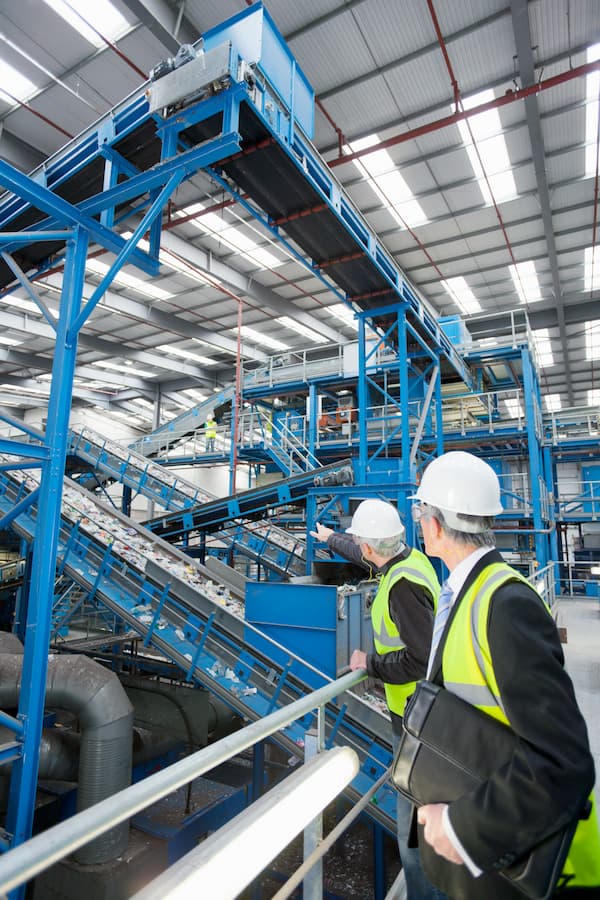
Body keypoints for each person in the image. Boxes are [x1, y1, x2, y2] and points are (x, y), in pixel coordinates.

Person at [410, 450, 600, 899]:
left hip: (511, 866)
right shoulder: (465, 591)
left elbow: (563, 766)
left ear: (435, 524)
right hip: (485, 858)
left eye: (421, 513)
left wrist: (459, 828)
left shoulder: (505, 604)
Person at [311, 499, 446, 900]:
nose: (361, 550)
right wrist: (331, 538)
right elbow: (365, 549)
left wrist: (368, 663)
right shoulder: (408, 559)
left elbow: (421, 659)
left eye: (360, 544)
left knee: (413, 836)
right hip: (420, 712)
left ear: (372, 548)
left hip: (415, 718)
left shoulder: (402, 586)